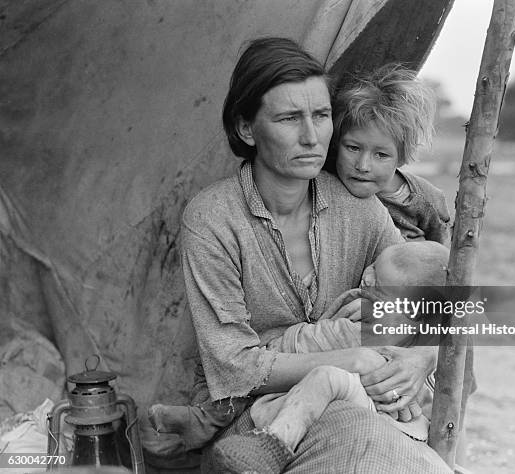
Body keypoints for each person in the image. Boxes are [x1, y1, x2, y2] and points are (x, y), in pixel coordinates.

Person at [155, 37, 451, 473]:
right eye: (291, 118)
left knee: (381, 429)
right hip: (256, 419)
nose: (312, 137)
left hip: (361, 400)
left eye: (322, 116)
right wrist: (343, 360)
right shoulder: (213, 219)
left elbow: (428, 300)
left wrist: (423, 354)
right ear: (247, 128)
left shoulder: (360, 208)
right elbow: (234, 366)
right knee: (362, 437)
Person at [207, 241, 450, 474]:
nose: (367, 277)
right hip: (414, 423)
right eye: (374, 266)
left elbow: (313, 343)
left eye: (380, 285)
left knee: (326, 379)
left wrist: (280, 343)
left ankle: (274, 444)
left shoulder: (370, 323)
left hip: (381, 408)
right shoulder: (428, 327)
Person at [325, 64, 451, 245]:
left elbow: (443, 253)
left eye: (381, 155)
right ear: (337, 143)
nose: (362, 166)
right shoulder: (325, 185)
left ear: (402, 157)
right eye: (353, 148)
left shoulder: (425, 198)